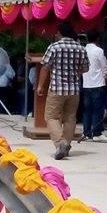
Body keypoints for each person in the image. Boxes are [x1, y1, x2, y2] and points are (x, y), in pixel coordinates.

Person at [37, 22, 89, 160]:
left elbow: (45, 67)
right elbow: (85, 68)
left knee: (51, 116)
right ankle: (66, 146)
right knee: (70, 118)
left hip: (57, 88)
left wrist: (40, 86)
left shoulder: (54, 47)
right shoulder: (81, 48)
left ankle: (60, 143)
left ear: (59, 33)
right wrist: (75, 73)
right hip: (74, 90)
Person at [81, 31, 107, 140]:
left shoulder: (83, 50)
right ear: (98, 39)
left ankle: (86, 133)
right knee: (98, 109)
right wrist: (106, 76)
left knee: (87, 109)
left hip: (86, 83)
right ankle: (97, 133)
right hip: (98, 83)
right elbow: (104, 66)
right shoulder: (99, 50)